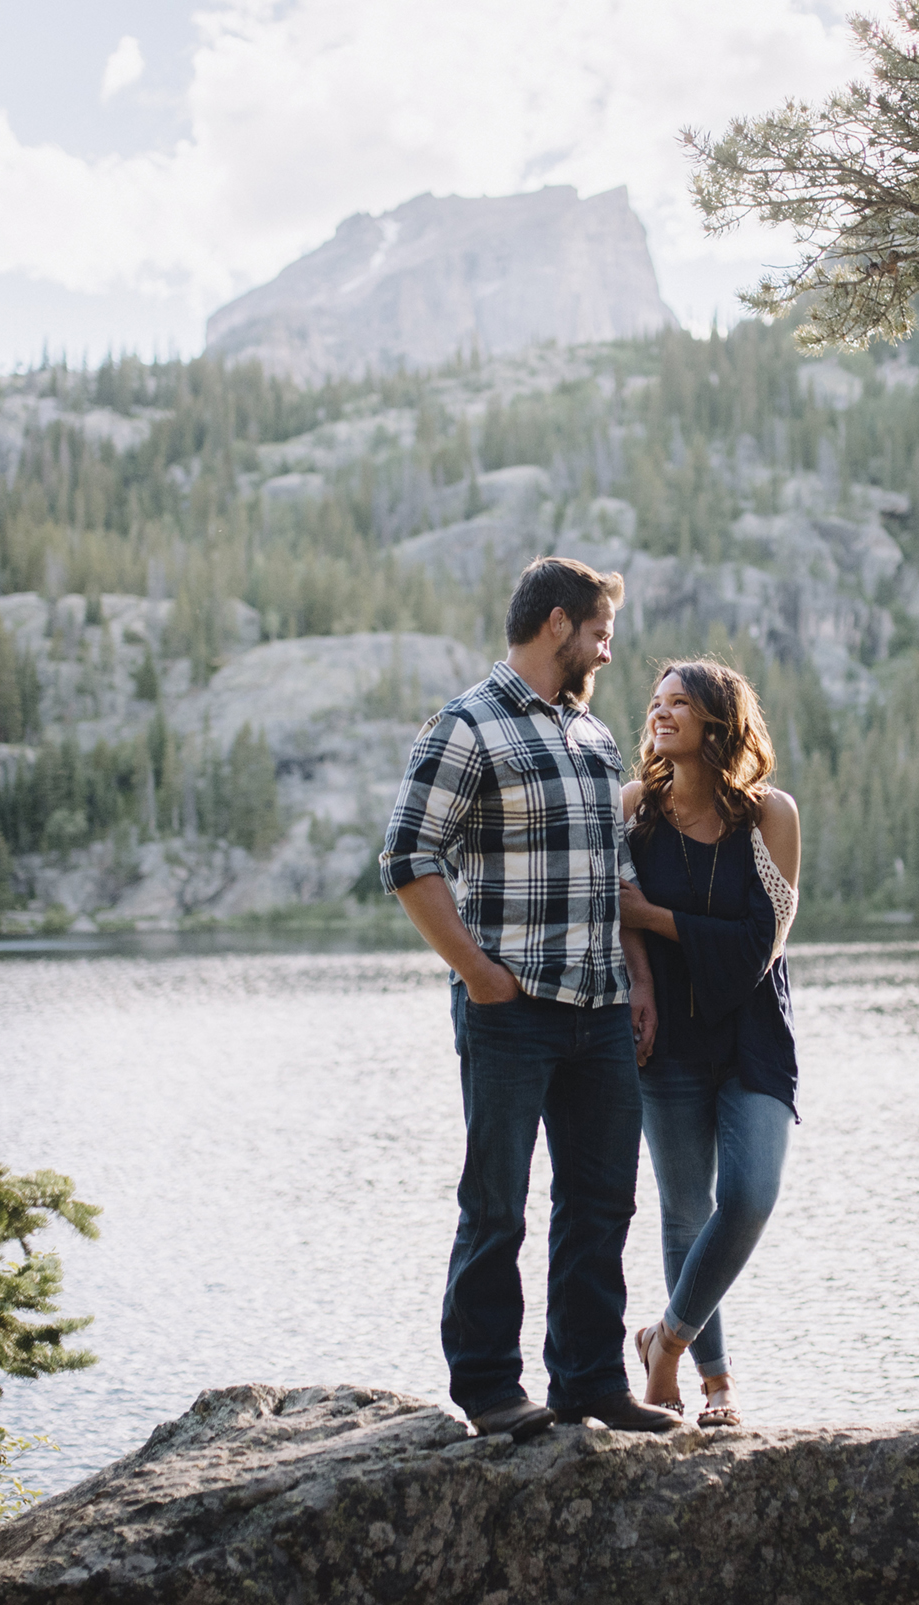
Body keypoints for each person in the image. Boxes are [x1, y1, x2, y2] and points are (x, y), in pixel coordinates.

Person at [379, 557, 682, 1440]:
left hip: (599, 1011)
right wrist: (478, 974)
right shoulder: (467, 725)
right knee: (497, 1201)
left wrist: (641, 984)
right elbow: (407, 858)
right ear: (558, 624)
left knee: (601, 1202)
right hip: (510, 1014)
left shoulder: (594, 738)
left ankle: (590, 1381)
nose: (607, 652)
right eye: (600, 634)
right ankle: (488, 1389)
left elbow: (616, 875)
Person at [617, 658, 801, 1428]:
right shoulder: (632, 809)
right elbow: (615, 914)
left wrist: (660, 920)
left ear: (718, 722)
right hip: (670, 1038)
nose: (661, 714)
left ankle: (666, 1339)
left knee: (751, 1195)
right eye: (657, 703)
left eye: (680, 703)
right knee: (686, 1211)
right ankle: (716, 1380)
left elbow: (761, 943)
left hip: (752, 1029)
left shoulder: (770, 816)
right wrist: (646, 988)